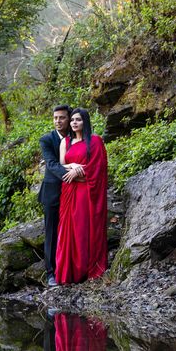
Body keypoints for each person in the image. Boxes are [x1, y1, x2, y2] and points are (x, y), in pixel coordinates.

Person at [55, 108, 108, 284]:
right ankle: (68, 272)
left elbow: (98, 167)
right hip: (69, 190)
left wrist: (79, 171)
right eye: (72, 120)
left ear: (85, 121)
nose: (74, 123)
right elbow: (61, 165)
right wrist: (75, 166)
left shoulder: (95, 141)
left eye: (78, 120)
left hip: (85, 191)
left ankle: (84, 270)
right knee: (67, 231)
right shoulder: (66, 142)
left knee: (82, 228)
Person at [37, 105, 82, 287]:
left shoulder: (77, 137)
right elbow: (52, 164)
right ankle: (51, 273)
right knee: (52, 233)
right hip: (53, 193)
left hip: (75, 193)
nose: (58, 121)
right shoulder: (47, 139)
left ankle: (72, 269)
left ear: (69, 118)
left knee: (72, 231)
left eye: (62, 118)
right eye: (55, 118)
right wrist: (73, 171)